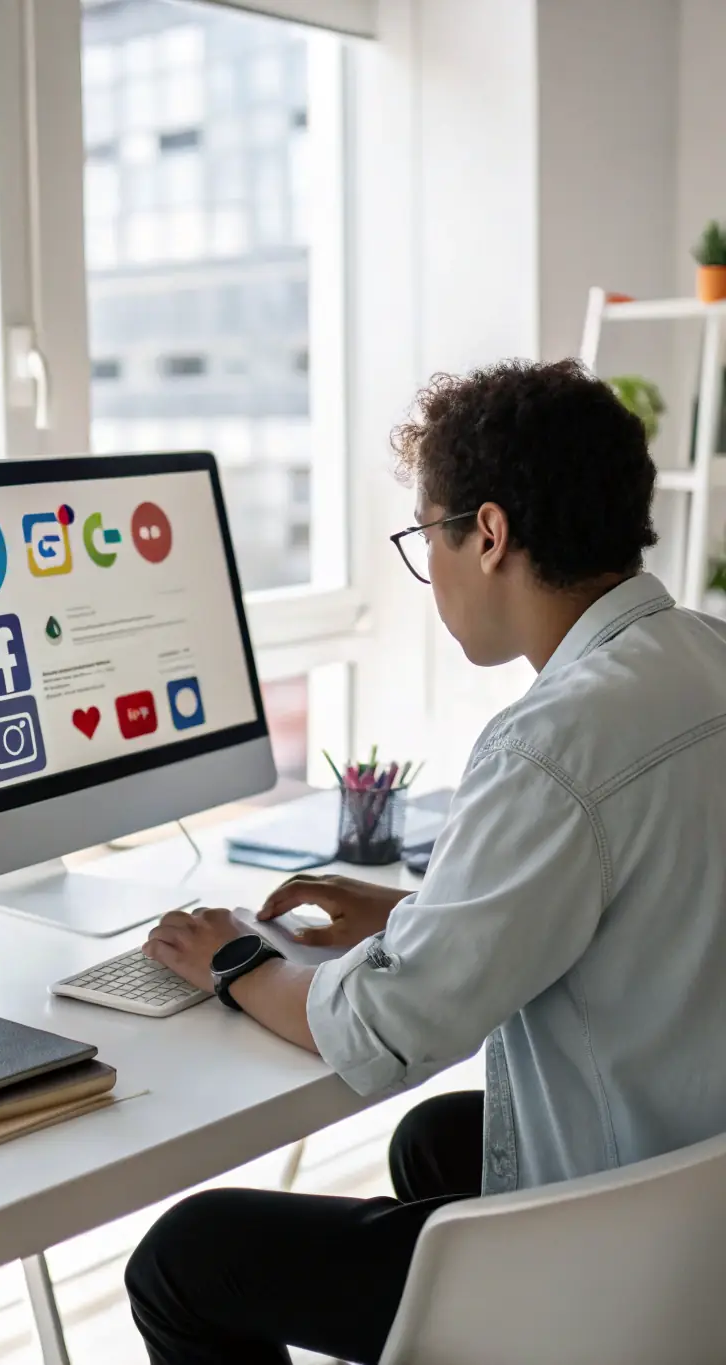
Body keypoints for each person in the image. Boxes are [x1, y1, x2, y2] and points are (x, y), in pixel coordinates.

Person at [125, 358, 726, 1365]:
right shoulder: (706, 654)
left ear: (487, 535)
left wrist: (237, 960)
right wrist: (427, 909)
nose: (429, 571)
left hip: (617, 1271)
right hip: (699, 1209)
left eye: (424, 537)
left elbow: (386, 1028)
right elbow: (638, 890)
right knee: (437, 1141)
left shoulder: (549, 743)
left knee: (184, 1259)